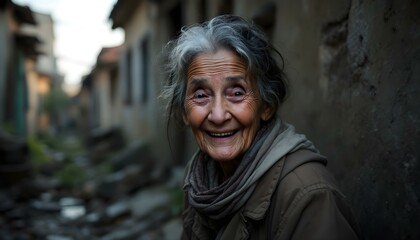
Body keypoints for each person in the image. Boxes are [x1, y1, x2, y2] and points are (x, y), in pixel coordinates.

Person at [161, 15, 361, 240]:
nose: (218, 115)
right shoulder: (199, 178)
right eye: (200, 95)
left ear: (266, 105)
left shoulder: (307, 195)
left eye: (237, 93)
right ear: (184, 112)